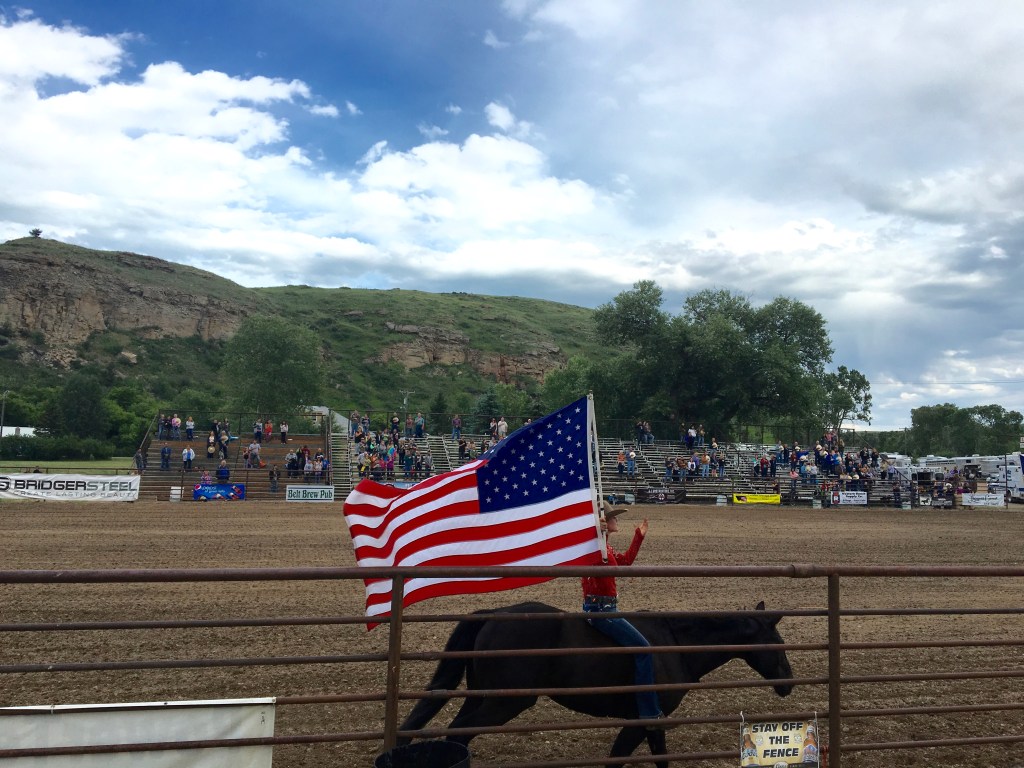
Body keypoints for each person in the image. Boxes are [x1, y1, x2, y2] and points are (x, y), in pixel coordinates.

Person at [582, 501, 663, 725]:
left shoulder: (604, 548)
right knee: (644, 650)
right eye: (613, 517)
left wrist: (639, 536)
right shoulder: (596, 547)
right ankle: (649, 712)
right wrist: (595, 531)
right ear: (605, 522)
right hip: (602, 609)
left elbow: (625, 561)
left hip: (604, 607)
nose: (616, 520)